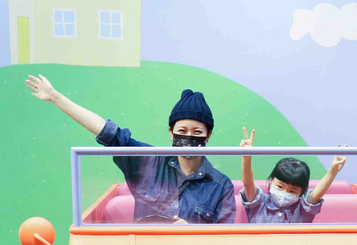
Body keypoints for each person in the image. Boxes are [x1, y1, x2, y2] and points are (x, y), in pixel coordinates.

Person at [26, 74, 235, 224]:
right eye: (182, 130)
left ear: (208, 135)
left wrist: (192, 234)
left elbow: (225, 241)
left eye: (197, 132)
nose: (189, 137)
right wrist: (55, 97)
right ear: (171, 133)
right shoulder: (148, 160)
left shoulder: (221, 185)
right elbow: (108, 132)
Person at [239, 127, 346, 223]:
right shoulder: (259, 202)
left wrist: (333, 171)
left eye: (292, 191)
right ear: (271, 181)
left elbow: (317, 194)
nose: (284, 193)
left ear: (301, 192)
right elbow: (248, 182)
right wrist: (246, 158)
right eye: (280, 187)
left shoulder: (303, 209)